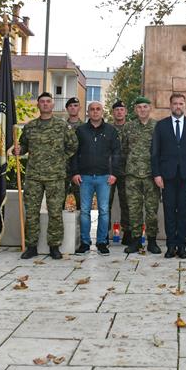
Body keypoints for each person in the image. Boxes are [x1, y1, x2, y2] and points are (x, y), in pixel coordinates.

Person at [15, 92, 78, 260]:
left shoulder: (62, 126)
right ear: (38, 105)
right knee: (31, 212)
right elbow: (24, 147)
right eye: (42, 101)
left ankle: (54, 246)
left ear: (52, 105)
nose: (45, 104)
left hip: (55, 176)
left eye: (48, 101)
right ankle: (31, 246)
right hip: (34, 176)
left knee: (55, 212)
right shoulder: (30, 126)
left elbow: (73, 146)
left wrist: (59, 159)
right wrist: (18, 150)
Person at [151, 93, 186, 259]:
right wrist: (157, 174)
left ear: (184, 105)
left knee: (183, 212)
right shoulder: (161, 126)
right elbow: (154, 153)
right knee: (169, 212)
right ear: (170, 105)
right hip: (167, 176)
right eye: (175, 104)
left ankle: (181, 246)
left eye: (181, 104)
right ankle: (170, 246)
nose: (178, 106)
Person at [70, 101, 121, 255]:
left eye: (98, 109)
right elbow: (74, 153)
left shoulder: (111, 131)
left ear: (102, 112)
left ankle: (102, 242)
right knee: (85, 211)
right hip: (84, 177)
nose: (95, 112)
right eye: (92, 109)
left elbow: (116, 153)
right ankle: (85, 243)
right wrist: (75, 172)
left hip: (104, 177)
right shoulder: (81, 130)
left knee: (104, 211)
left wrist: (114, 173)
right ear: (88, 112)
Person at [122, 97, 162, 255]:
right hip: (132, 175)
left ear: (149, 108)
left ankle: (152, 241)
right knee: (134, 210)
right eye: (139, 107)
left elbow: (162, 151)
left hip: (151, 175)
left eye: (145, 106)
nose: (142, 110)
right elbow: (124, 148)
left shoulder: (157, 127)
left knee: (152, 210)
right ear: (135, 110)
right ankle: (136, 241)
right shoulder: (129, 127)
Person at [108, 99, 131, 245]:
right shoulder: (108, 128)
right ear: (113, 112)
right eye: (116, 110)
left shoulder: (131, 127)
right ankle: (104, 233)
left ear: (126, 112)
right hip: (109, 171)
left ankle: (127, 232)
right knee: (106, 203)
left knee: (126, 202)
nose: (119, 112)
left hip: (126, 171)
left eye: (121, 110)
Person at [65, 97, 83, 210]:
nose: (73, 108)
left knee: (82, 203)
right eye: (70, 106)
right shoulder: (60, 127)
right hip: (63, 169)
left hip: (81, 170)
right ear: (67, 108)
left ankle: (82, 228)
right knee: (58, 202)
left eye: (75, 105)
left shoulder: (86, 127)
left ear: (79, 108)